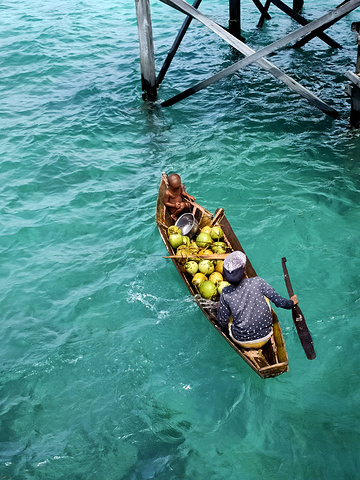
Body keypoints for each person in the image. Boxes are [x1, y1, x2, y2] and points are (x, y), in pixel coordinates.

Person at [217, 251, 298, 349]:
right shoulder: (258, 282)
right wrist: (292, 303)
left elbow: (222, 321)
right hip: (265, 336)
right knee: (265, 298)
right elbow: (279, 302)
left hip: (241, 340)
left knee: (228, 314)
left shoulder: (225, 293)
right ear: (244, 270)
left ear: (225, 276)